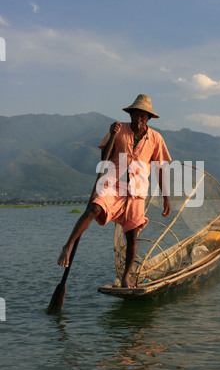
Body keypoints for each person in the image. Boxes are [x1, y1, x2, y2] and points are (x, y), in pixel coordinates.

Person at [57, 94, 172, 288]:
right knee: (94, 209)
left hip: (137, 191)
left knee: (132, 234)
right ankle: (67, 246)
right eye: (136, 115)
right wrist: (111, 134)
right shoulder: (118, 129)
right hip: (113, 183)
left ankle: (126, 276)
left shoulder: (156, 138)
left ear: (149, 119)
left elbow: (161, 169)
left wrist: (166, 198)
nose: (139, 119)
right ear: (131, 115)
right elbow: (105, 156)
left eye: (143, 116)